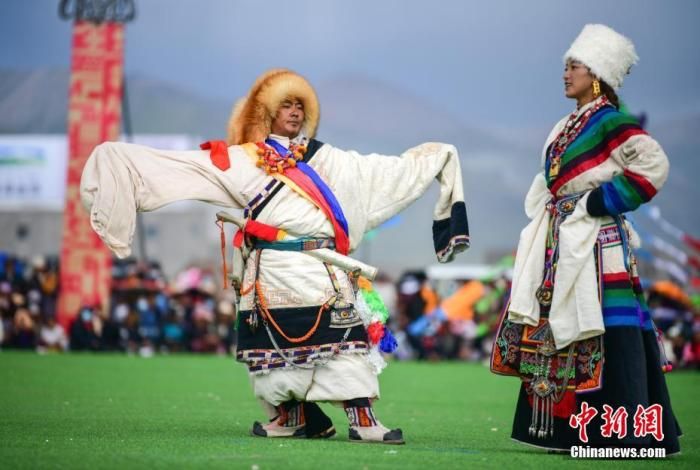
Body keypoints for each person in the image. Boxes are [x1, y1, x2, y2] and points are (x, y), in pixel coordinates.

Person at [80, 69, 469, 444]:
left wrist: (433, 159)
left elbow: (378, 174)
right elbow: (187, 168)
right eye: (286, 105)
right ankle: (290, 418)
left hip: (321, 270)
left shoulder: (329, 159)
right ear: (269, 112)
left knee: (345, 348)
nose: (295, 113)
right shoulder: (244, 160)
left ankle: (363, 420)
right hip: (271, 274)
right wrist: (120, 159)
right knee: (273, 357)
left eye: (300, 106)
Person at [490, 24, 681, 454]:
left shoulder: (612, 121)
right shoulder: (567, 125)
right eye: (566, 66)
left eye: (574, 66)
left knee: (606, 330)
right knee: (561, 327)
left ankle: (622, 433)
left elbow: (653, 165)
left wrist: (601, 200)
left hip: (597, 242)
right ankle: (568, 431)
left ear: (597, 73)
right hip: (563, 239)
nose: (565, 73)